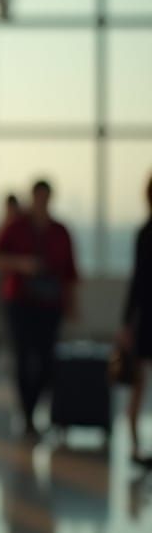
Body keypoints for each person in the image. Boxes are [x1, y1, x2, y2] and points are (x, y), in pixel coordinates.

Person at [0, 178, 79, 438]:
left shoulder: (60, 231)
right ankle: (27, 413)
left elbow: (70, 272)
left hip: (50, 304)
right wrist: (22, 264)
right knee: (23, 357)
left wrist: (72, 304)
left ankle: (34, 407)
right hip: (19, 302)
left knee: (47, 360)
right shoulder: (15, 227)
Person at [118, 173, 152, 466]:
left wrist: (127, 322)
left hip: (147, 317)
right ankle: (135, 443)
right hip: (146, 318)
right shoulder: (145, 234)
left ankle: (135, 444)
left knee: (138, 385)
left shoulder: (145, 233)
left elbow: (138, 283)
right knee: (138, 384)